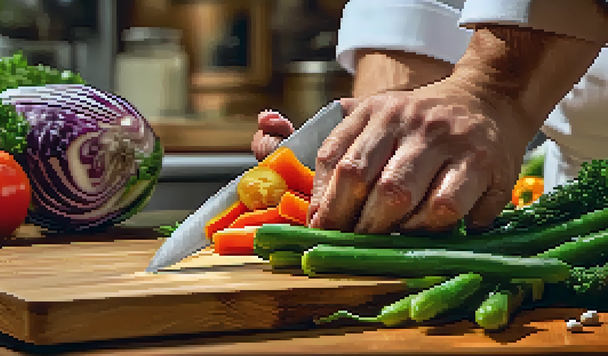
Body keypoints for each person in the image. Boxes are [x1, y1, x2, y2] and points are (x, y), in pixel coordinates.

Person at [251, 0, 608, 234]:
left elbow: (494, 83)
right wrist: (372, 158)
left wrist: (491, 87)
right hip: (573, 234)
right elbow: (415, 12)